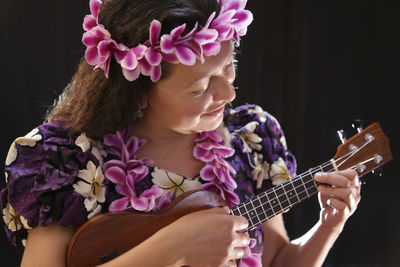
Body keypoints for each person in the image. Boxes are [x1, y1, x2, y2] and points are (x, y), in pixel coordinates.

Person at [1, 0, 361, 266]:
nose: (228, 95)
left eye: (229, 68)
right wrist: (170, 249)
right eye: (201, 87)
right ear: (138, 94)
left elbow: (278, 261)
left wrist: (328, 226)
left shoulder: (251, 139)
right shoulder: (66, 159)